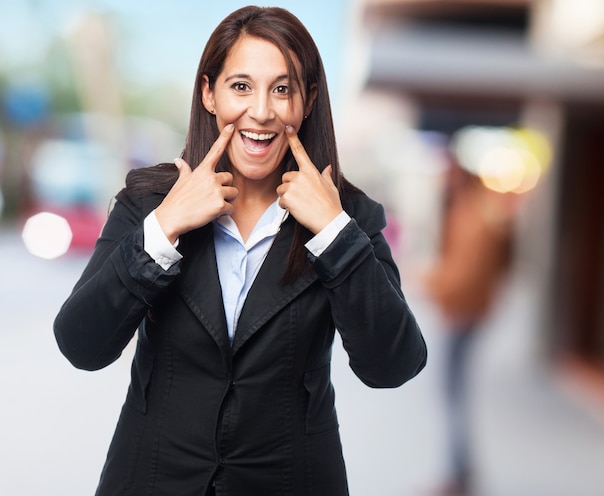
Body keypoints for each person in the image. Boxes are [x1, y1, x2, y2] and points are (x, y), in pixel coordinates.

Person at [53, 6, 427, 495]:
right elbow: (82, 345)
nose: (262, 112)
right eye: (241, 86)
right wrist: (165, 227)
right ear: (209, 93)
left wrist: (335, 232)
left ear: (308, 100)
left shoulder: (350, 216)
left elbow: (392, 365)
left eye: (282, 88)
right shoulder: (149, 204)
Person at [423, 160, 516, 496]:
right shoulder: (476, 211)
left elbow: (464, 275)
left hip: (461, 315)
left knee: (453, 396)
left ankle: (458, 474)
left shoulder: (472, 216)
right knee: (454, 394)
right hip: (467, 312)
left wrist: (429, 283)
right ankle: (459, 470)